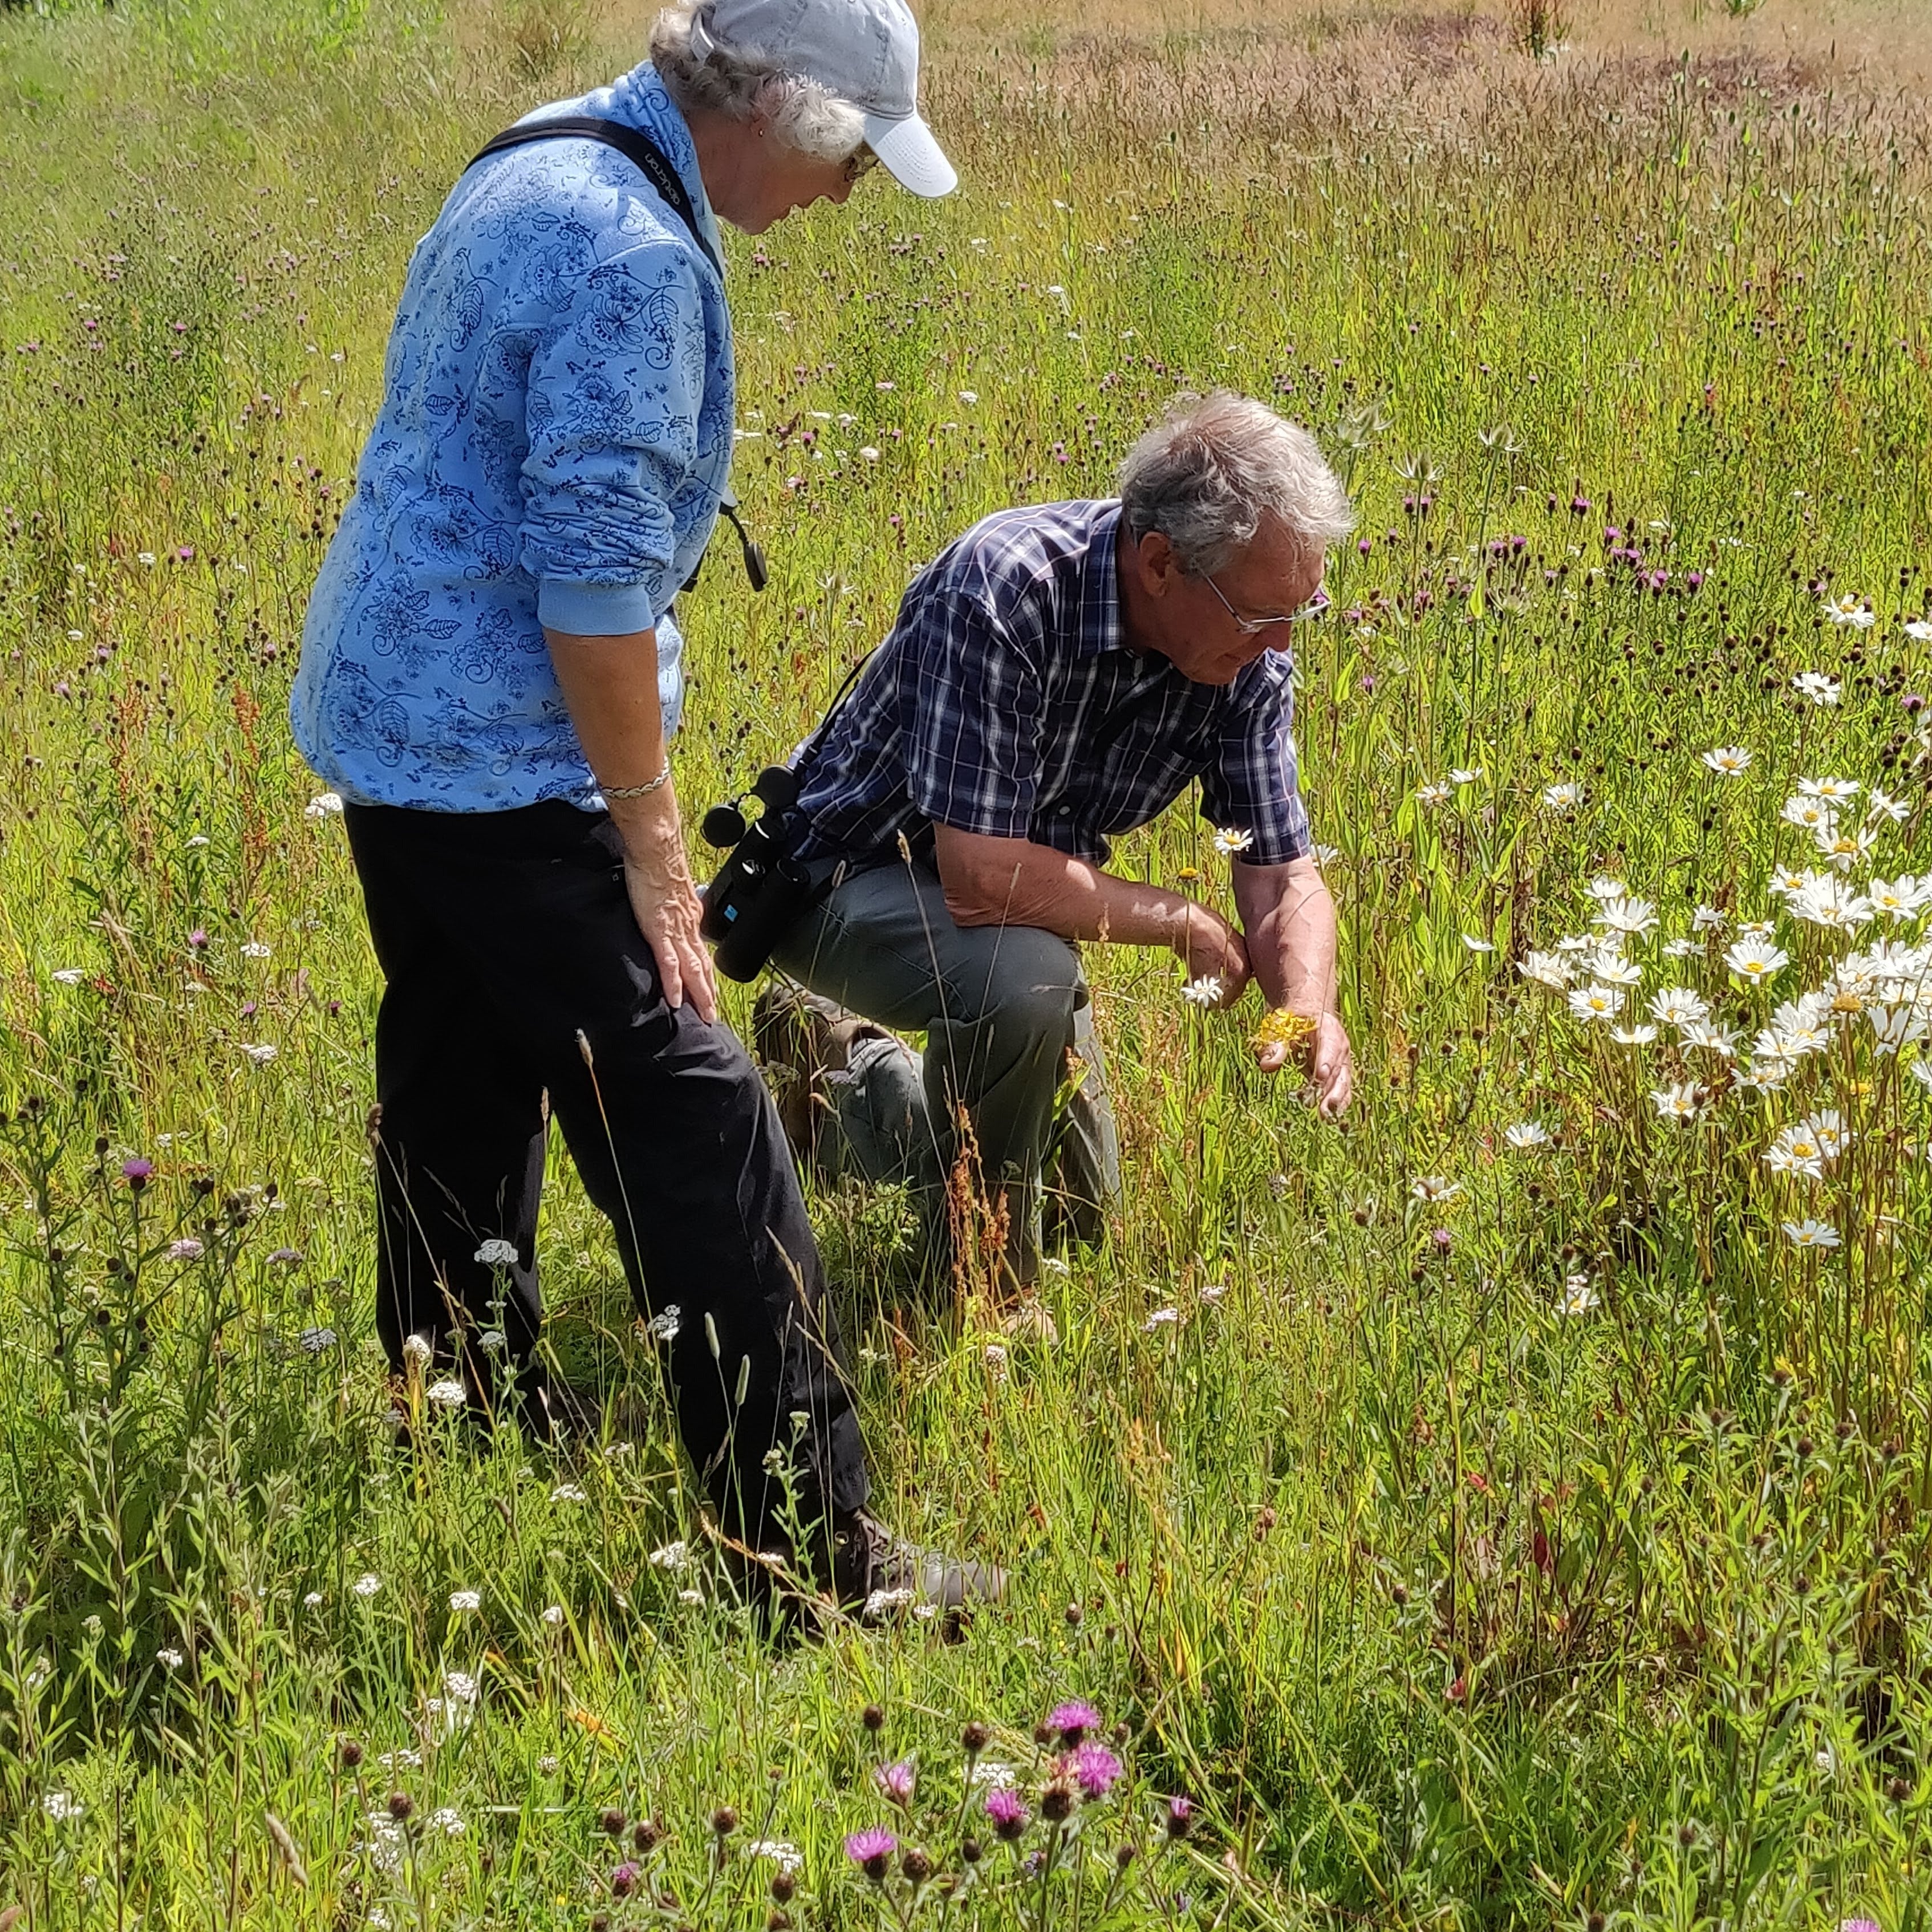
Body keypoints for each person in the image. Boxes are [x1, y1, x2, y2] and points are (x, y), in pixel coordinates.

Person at [289, 0, 993, 1612]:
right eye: (853, 160)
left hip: (395, 718)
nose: (847, 197)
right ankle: (807, 1562)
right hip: (500, 756)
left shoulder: (548, 147)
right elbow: (594, 596)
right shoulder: (630, 258)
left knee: (462, 1062)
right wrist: (659, 859)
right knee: (695, 1111)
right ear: (784, 110)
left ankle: (455, 1418)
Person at [757, 391, 1357, 1295]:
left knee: (1087, 1222)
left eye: (1299, 613)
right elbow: (979, 876)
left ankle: (845, 1069)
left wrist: (1304, 1006)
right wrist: (1184, 922)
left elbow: (1281, 870)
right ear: (1161, 564)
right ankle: (983, 1284)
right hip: (839, 879)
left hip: (1011, 915)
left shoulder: (1245, 659)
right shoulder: (1007, 589)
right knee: (1029, 985)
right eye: (1259, 614)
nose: (1279, 642)